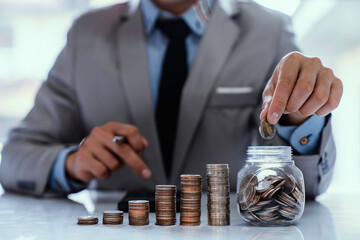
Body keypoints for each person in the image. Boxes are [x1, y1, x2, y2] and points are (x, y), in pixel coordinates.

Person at [0, 0, 342, 198]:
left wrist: (298, 119)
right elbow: (14, 158)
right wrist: (72, 163)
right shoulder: (85, 34)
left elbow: (306, 186)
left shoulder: (270, 31)